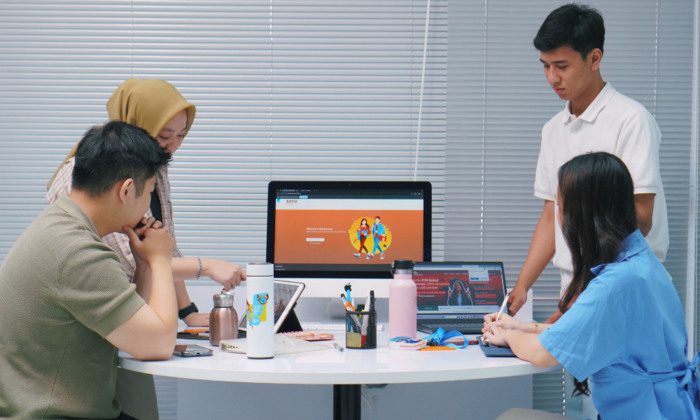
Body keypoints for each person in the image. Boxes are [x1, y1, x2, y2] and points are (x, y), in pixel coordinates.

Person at [483, 152, 699, 420]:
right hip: (673, 408)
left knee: (511, 417)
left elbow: (543, 353)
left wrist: (506, 336)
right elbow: (589, 329)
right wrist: (521, 327)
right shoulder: (644, 266)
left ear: (580, 214)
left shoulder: (614, 286)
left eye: (560, 206)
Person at [0, 122, 178, 418]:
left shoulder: (60, 225)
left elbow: (139, 328)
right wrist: (161, 260)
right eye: (149, 193)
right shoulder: (77, 252)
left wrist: (144, 263)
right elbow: (158, 344)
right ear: (126, 190)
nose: (148, 206)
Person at [508, 4, 669, 321]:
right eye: (545, 66)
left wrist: (580, 297)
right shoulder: (553, 130)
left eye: (562, 66)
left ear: (594, 59)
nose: (552, 77)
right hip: (577, 289)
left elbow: (641, 218)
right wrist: (521, 287)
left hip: (622, 287)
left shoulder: (631, 120)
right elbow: (551, 216)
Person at [47, 79, 244, 327]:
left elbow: (161, 244)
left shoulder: (152, 164)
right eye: (164, 135)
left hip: (123, 307)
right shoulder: (94, 172)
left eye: (182, 135)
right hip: (94, 309)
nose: (174, 145)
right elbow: (134, 260)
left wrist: (187, 312)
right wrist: (206, 267)